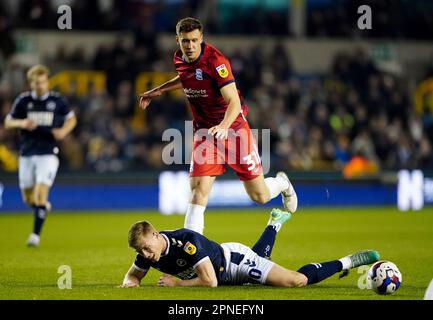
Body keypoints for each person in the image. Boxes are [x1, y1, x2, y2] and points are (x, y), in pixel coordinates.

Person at [139, 17, 297, 235]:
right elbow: (187, 77)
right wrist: (160, 90)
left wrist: (224, 126)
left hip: (233, 129)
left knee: (259, 196)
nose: (191, 46)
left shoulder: (216, 61)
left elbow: (233, 101)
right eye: (186, 41)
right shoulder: (179, 58)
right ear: (178, 40)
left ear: (201, 38)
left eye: (195, 40)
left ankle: (281, 183)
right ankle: (192, 252)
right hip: (205, 132)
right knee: (198, 191)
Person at [120, 208, 380, 288]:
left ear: (155, 234)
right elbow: (133, 275)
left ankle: (348, 261)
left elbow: (209, 282)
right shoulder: (149, 253)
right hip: (226, 274)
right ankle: (274, 223)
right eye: (140, 251)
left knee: (296, 281)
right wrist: (130, 283)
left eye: (145, 248)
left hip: (235, 262)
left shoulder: (185, 241)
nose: (145, 255)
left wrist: (177, 284)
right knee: (261, 267)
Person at [4, 64, 77, 247]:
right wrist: (22, 122)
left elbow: (72, 118)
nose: (41, 86)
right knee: (28, 199)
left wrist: (63, 131)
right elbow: (8, 122)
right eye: (37, 83)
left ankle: (35, 236)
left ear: (47, 82)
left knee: (40, 194)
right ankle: (42, 207)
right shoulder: (23, 100)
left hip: (48, 153)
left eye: (44, 82)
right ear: (31, 83)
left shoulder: (57, 100)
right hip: (27, 153)